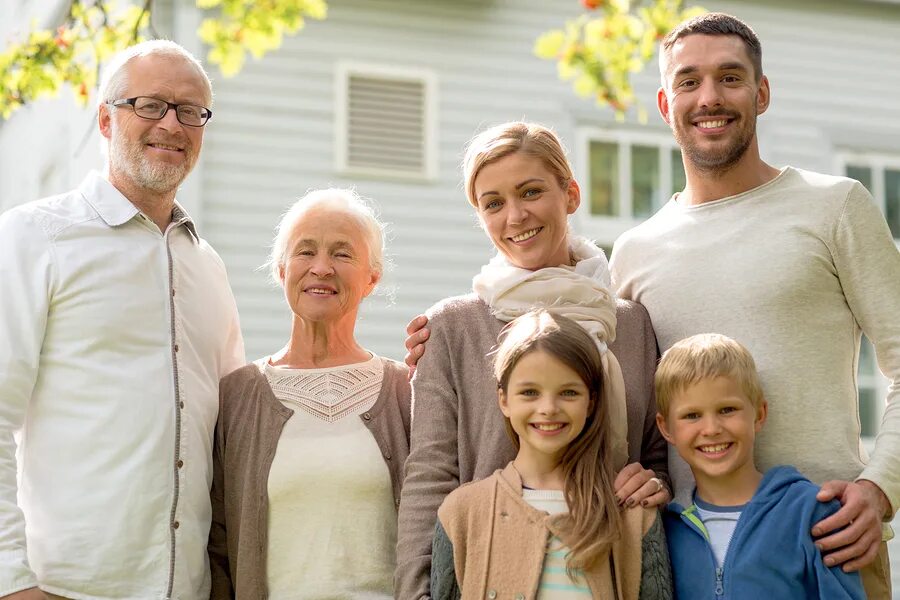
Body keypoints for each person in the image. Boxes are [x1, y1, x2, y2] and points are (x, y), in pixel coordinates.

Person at [608, 12, 898, 597]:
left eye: (730, 78)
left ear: (761, 93)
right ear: (666, 105)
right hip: (684, 560)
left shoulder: (835, 206)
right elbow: (617, 396)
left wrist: (881, 486)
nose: (709, 98)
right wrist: (449, 331)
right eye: (689, 82)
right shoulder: (634, 252)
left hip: (829, 546)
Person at [0, 41, 244, 600]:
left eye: (190, 111)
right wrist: (11, 581)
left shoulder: (207, 267)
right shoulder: (35, 237)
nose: (172, 124)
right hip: (63, 589)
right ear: (106, 119)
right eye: (151, 105)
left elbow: (230, 430)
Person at [396, 122, 668, 599]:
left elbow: (657, 454)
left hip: (604, 571)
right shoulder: (453, 327)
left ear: (571, 194)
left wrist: (653, 483)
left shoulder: (631, 324)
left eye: (531, 192)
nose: (516, 216)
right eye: (493, 203)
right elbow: (430, 475)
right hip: (487, 572)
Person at [208, 189, 411, 599]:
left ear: (372, 277)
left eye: (342, 254)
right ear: (282, 270)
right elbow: (215, 545)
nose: (321, 268)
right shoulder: (235, 397)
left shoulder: (406, 391)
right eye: (305, 252)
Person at [431, 310, 672, 599]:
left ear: (591, 402)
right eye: (530, 392)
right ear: (504, 400)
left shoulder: (633, 515)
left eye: (569, 392)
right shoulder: (461, 513)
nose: (548, 408)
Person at [655, 333, 864, 599]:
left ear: (759, 414)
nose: (711, 429)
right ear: (666, 427)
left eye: (727, 410)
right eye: (692, 415)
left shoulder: (811, 512)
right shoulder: (668, 528)